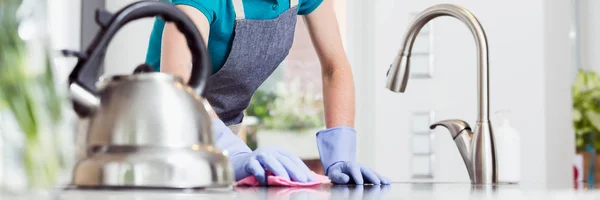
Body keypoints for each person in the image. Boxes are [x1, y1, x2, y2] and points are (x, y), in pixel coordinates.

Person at [145, 0, 390, 185]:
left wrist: (340, 153)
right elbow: (179, 86)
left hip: (222, 137)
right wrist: (233, 152)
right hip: (157, 142)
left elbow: (334, 67)